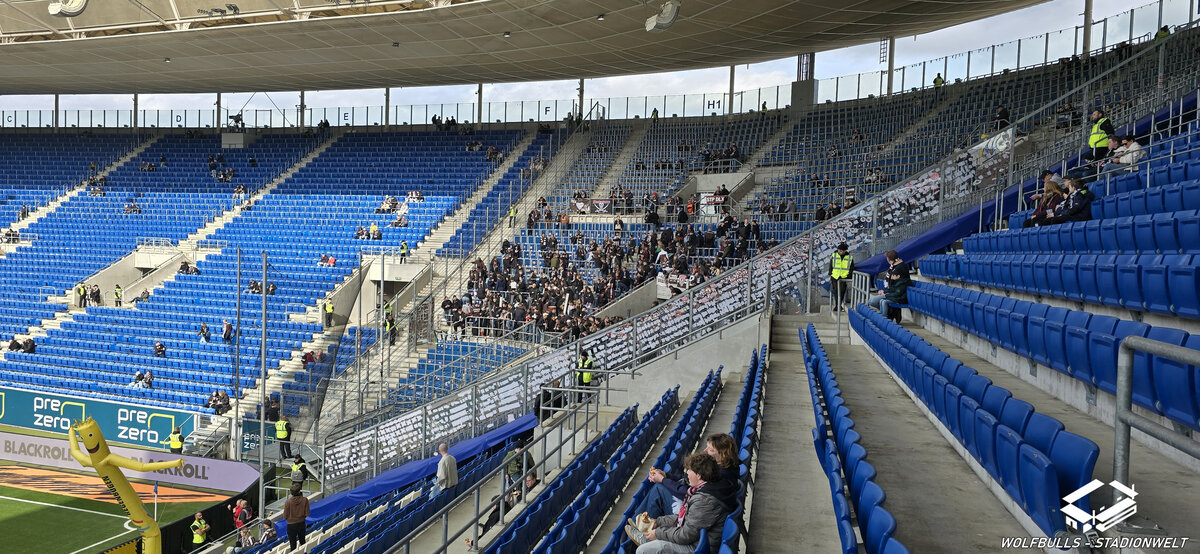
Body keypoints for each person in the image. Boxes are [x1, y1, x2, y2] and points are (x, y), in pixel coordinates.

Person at [624, 453, 729, 554]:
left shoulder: (704, 501)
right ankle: (645, 536)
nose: (687, 473)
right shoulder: (703, 491)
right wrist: (658, 522)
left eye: (689, 470)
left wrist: (657, 533)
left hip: (697, 549)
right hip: (696, 542)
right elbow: (683, 519)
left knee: (643, 550)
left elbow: (685, 535)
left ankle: (645, 539)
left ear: (699, 476)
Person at [632, 434, 739, 520]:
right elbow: (688, 479)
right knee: (660, 487)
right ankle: (640, 522)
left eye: (710, 450)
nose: (705, 451)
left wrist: (663, 480)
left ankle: (641, 527)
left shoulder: (721, 476)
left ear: (723, 454)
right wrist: (666, 475)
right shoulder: (727, 467)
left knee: (659, 489)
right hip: (698, 508)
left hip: (694, 512)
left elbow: (689, 492)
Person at [868, 250, 911, 324]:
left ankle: (885, 320)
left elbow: (896, 288)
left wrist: (885, 292)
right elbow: (891, 285)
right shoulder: (894, 267)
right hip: (892, 292)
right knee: (873, 301)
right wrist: (885, 290)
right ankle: (891, 312)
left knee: (875, 301)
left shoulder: (899, 269)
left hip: (896, 294)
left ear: (889, 259)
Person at [283, 484, 310, 551]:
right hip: (301, 523)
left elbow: (285, 516)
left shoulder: (288, 502)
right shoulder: (305, 500)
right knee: (302, 542)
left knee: (292, 545)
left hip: (291, 525)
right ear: (299, 491)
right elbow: (307, 513)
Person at [829, 242, 854, 311]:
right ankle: (838, 305)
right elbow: (831, 265)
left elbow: (851, 267)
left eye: (841, 250)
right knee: (836, 291)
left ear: (844, 251)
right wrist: (830, 273)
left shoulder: (849, 257)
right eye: (839, 250)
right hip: (835, 276)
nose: (839, 251)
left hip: (844, 277)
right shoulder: (834, 255)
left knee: (842, 291)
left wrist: (849, 275)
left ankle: (838, 305)